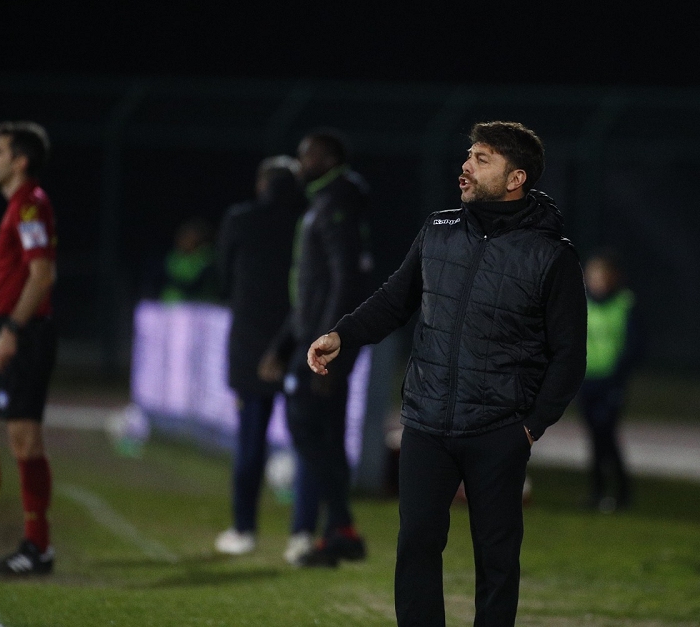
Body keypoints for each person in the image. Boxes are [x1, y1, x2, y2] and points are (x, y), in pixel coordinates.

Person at [306, 121, 587, 626]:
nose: (466, 166)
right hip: (427, 422)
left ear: (516, 177)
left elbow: (569, 355)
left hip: (500, 429)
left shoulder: (551, 255)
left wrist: (530, 427)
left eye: (482, 159)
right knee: (416, 544)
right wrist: (342, 335)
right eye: (469, 155)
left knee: (496, 559)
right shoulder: (438, 230)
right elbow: (395, 300)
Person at [260, 130, 371, 567]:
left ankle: (341, 526)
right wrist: (282, 344)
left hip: (323, 346)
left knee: (304, 423)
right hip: (316, 340)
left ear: (327, 158)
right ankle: (338, 534)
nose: (300, 162)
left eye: (306, 155)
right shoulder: (327, 200)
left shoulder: (337, 202)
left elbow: (345, 281)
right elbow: (315, 288)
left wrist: (329, 346)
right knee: (326, 435)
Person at [213, 156, 312, 556]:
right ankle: (302, 534)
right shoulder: (307, 221)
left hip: (250, 349)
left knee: (250, 442)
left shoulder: (240, 219)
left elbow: (222, 279)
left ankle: (243, 530)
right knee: (307, 444)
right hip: (300, 342)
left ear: (261, 185)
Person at [0, 122, 59, 575]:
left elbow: (41, 275)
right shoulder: (21, 205)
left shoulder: (29, 204)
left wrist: (11, 330)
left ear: (20, 161)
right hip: (21, 329)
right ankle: (36, 545)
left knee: (26, 437)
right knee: (21, 437)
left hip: (26, 332)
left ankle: (37, 547)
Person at [579, 249, 643, 513]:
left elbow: (635, 344)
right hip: (586, 379)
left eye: (602, 276)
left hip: (611, 381)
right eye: (593, 276)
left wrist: (620, 373)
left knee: (606, 434)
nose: (597, 282)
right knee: (594, 436)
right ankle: (598, 492)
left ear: (613, 277)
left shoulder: (625, 303)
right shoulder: (581, 301)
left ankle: (621, 491)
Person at [160, 217, 217, 302]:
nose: (185, 240)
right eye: (183, 236)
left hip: (200, 304)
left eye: (189, 237)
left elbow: (196, 283)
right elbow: (169, 278)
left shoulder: (206, 256)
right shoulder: (173, 256)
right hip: (171, 303)